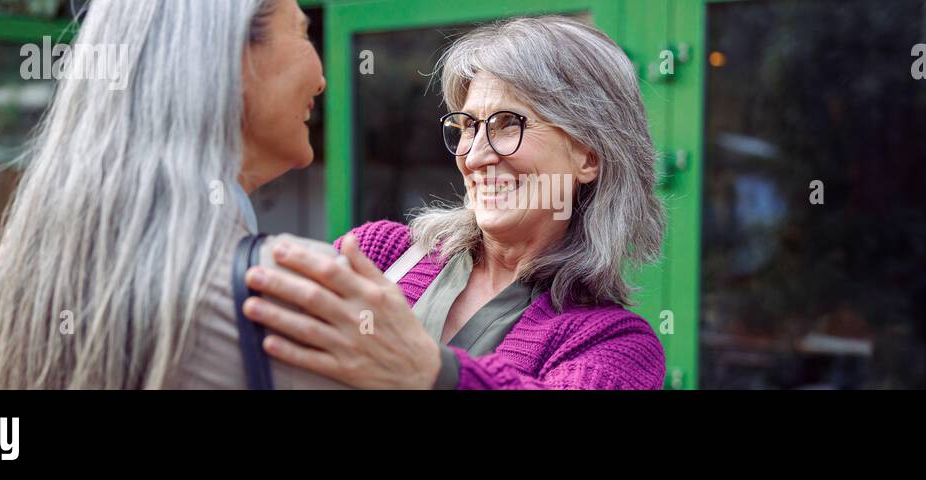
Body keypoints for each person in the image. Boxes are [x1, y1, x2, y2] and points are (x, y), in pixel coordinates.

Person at [241, 16, 668, 389]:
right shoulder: (381, 254)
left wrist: (429, 371)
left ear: (589, 155)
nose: (476, 155)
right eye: (467, 126)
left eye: (506, 124)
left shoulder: (616, 344)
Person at [0, 0, 332, 389]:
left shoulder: (34, 274)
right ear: (229, 60)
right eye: (302, 32)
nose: (322, 79)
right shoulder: (282, 303)